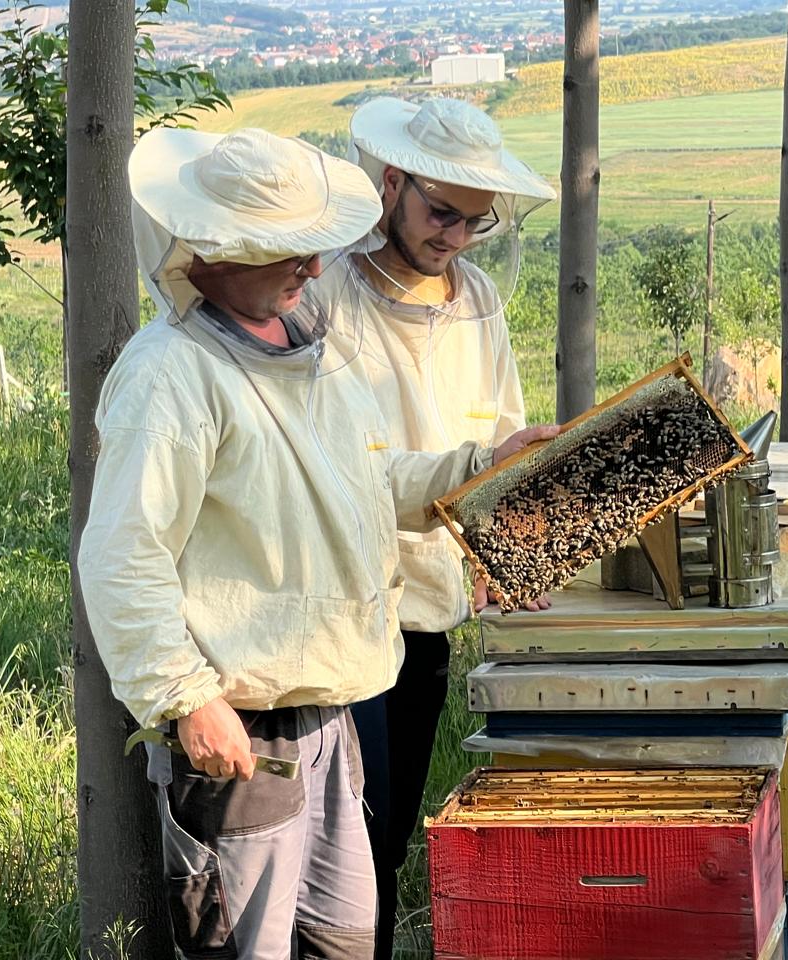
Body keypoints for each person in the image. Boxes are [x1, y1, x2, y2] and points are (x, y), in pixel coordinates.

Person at [76, 126, 557, 960]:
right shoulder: (169, 376)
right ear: (220, 248)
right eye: (290, 252)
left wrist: (480, 468)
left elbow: (373, 479)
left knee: (345, 939)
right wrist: (188, 699)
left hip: (332, 711)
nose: (312, 270)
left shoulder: (309, 349)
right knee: (249, 947)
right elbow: (124, 555)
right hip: (244, 729)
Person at [324, 96, 557, 958]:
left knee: (388, 843)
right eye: (441, 213)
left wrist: (505, 539)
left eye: (476, 221)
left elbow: (505, 431)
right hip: (346, 607)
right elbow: (341, 475)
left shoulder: (481, 300)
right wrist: (470, 472)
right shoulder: (330, 293)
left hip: (429, 612)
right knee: (350, 845)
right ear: (392, 184)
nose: (456, 236)